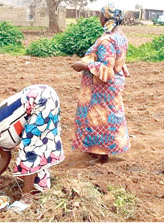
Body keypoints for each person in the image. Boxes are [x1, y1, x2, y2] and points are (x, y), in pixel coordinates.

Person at [0, 85, 65, 210]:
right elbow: (4, 159)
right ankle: (37, 185)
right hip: (42, 94)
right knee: (34, 144)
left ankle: (27, 198)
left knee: (29, 150)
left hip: (41, 100)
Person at [70, 3, 131, 163]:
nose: (99, 18)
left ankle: (102, 155)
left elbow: (107, 70)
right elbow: (119, 60)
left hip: (102, 89)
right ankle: (94, 149)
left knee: (100, 119)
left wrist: (83, 65)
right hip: (113, 87)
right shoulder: (120, 35)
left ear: (106, 18)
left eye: (100, 15)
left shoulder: (107, 40)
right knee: (108, 117)